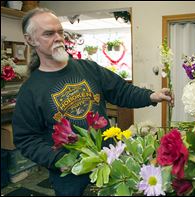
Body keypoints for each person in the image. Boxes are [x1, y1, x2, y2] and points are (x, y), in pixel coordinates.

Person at [12, 7, 173, 196]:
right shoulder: (30, 90)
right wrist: (62, 160)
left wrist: (151, 96)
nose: (58, 37)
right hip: (71, 178)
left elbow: (121, 90)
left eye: (60, 31)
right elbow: (26, 139)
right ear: (30, 40)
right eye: (49, 33)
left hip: (110, 163)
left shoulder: (88, 68)